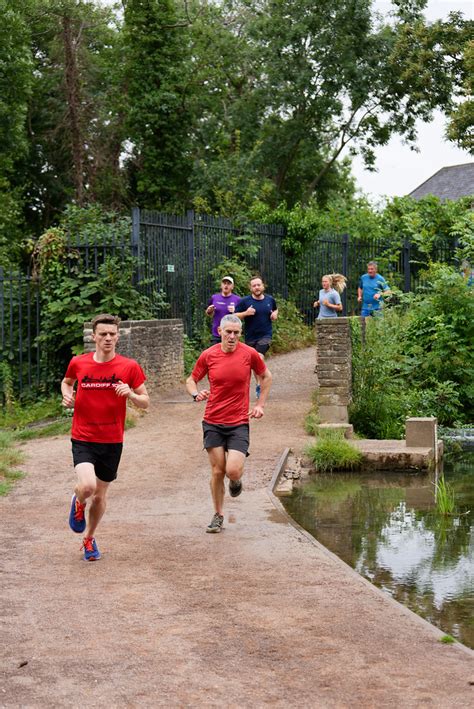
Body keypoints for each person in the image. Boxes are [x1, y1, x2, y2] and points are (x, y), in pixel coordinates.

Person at [61, 313, 149, 561]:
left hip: (112, 440)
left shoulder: (129, 366)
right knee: (88, 487)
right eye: (103, 334)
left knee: (100, 495)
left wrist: (131, 394)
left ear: (118, 336)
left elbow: (146, 401)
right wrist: (67, 395)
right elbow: (67, 382)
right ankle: (78, 501)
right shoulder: (79, 363)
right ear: (94, 337)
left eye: (112, 334)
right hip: (83, 436)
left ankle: (88, 538)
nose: (108, 338)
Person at [185, 314, 272, 534]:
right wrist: (195, 394)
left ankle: (235, 481)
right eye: (228, 332)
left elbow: (266, 376)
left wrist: (260, 404)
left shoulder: (249, 354)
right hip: (213, 420)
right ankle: (218, 515)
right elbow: (191, 379)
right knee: (217, 471)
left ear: (240, 334)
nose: (232, 336)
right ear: (220, 332)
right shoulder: (209, 355)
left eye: (236, 332)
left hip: (238, 422)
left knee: (232, 471)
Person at [235, 275, 278, 398]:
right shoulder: (245, 301)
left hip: (265, 335)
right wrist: (245, 313)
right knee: (254, 362)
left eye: (259, 285)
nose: (257, 287)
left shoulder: (270, 300)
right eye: (254, 286)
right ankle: (259, 384)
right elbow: (235, 315)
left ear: (263, 286)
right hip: (250, 337)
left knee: (259, 357)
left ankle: (264, 381)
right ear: (250, 288)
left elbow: (275, 309)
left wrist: (275, 314)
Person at [205, 276, 241, 344]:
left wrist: (235, 311)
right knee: (216, 354)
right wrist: (209, 311)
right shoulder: (214, 297)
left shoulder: (237, 299)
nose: (226, 285)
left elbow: (241, 316)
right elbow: (208, 313)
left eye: (228, 284)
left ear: (232, 287)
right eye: (224, 283)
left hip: (231, 334)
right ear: (221, 285)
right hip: (217, 333)